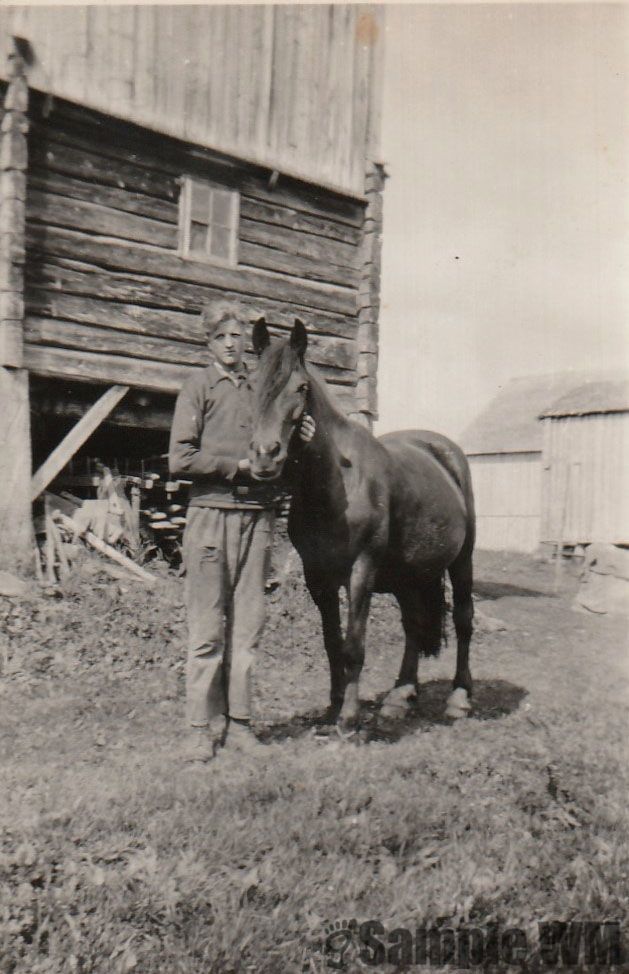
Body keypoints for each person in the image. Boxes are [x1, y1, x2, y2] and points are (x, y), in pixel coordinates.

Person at [169, 301, 315, 762]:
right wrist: (236, 468)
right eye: (221, 337)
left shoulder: (260, 388)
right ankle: (198, 728)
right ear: (208, 342)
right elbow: (179, 459)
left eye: (236, 337)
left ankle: (240, 725)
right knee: (208, 627)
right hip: (211, 517)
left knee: (248, 628)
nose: (231, 344)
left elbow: (277, 442)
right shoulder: (198, 387)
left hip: (258, 518)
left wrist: (302, 437)